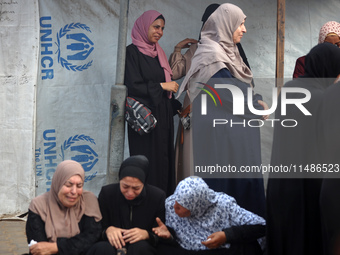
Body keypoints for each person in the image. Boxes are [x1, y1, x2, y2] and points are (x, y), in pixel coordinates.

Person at [175, 3, 267, 218]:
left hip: (235, 139)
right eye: (241, 24)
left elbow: (244, 86)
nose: (244, 29)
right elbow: (227, 93)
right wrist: (256, 108)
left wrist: (256, 99)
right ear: (226, 24)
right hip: (223, 142)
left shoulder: (230, 53)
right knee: (226, 194)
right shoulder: (210, 55)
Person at [266, 43, 340, 255]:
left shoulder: (289, 88)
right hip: (307, 187)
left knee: (284, 239)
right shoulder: (321, 97)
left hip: (279, 184)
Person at [124, 10, 181, 197]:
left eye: (162, 28)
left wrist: (177, 106)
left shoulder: (159, 54)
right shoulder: (131, 53)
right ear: (144, 26)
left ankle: (163, 206)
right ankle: (146, 206)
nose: (160, 32)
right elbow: (132, 85)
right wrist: (162, 85)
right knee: (148, 162)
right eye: (156, 27)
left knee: (164, 162)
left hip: (162, 118)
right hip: (145, 120)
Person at [152, 176, 266, 255]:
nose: (174, 207)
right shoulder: (170, 203)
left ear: (196, 206)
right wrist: (169, 235)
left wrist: (226, 235)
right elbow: (173, 238)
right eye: (175, 200)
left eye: (181, 206)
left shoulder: (224, 205)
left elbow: (261, 226)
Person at [25, 160, 102, 255]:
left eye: (79, 185)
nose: (74, 191)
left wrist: (57, 247)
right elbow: (40, 248)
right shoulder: (38, 205)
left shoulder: (88, 200)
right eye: (68, 185)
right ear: (58, 183)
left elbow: (92, 237)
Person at [94, 155, 166, 255]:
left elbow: (161, 234)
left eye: (136, 188)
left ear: (144, 184)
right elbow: (95, 228)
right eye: (125, 186)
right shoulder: (107, 194)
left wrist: (146, 234)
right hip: (112, 247)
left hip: (141, 249)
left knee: (140, 247)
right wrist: (108, 231)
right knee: (102, 248)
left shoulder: (157, 197)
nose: (130, 193)